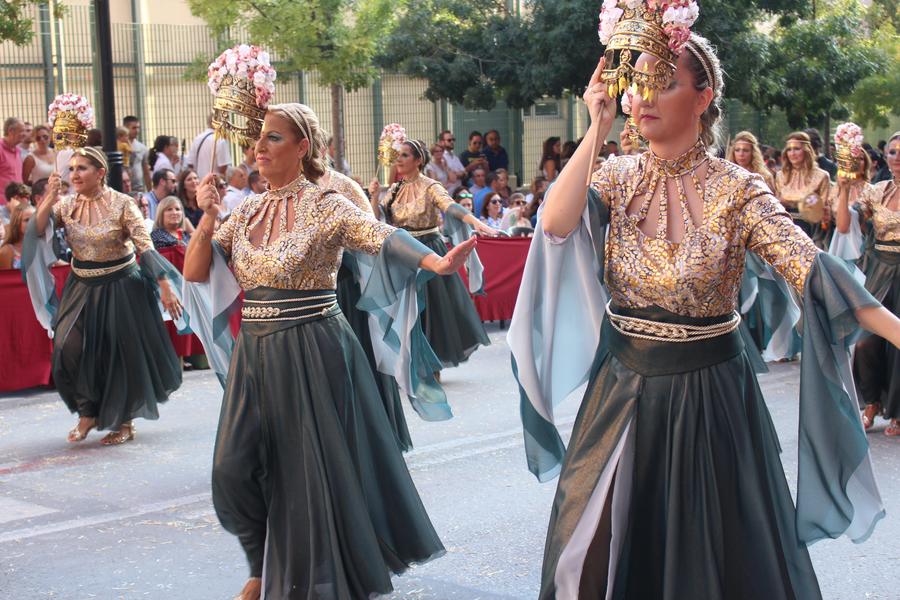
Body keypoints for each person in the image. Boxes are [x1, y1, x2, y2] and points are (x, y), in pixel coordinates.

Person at [509, 32, 900, 600]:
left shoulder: (739, 189)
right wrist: (595, 126)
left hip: (711, 394)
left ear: (702, 96)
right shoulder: (616, 176)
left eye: (662, 84)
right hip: (620, 391)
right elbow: (556, 223)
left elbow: (812, 269)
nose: (643, 97)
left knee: (713, 551)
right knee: (586, 544)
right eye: (637, 83)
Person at [182, 103, 473, 600]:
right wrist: (207, 217)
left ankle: (302, 573)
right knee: (231, 469)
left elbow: (380, 235)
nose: (259, 148)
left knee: (310, 472)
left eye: (274, 138)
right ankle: (260, 559)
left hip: (314, 344)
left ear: (303, 148)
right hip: (255, 352)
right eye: (259, 139)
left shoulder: (327, 204)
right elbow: (193, 271)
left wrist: (437, 262)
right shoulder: (245, 210)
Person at [24, 147, 183, 445]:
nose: (74, 175)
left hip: (121, 285)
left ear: (100, 173)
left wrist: (163, 284)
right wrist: (50, 195)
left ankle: (123, 421)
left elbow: (144, 245)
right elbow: (38, 228)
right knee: (66, 345)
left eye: (82, 168)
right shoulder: (67, 204)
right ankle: (88, 412)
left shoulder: (123, 204)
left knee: (117, 353)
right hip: (81, 285)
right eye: (71, 169)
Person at [372, 138, 495, 368]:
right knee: (403, 311)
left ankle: (430, 363)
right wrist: (374, 195)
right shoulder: (396, 189)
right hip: (402, 253)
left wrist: (475, 221)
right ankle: (409, 362)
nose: (398, 159)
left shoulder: (430, 186)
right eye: (397, 155)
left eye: (405, 155)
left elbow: (451, 206)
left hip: (428, 250)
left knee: (430, 311)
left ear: (418, 160)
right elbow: (376, 218)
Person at [836, 132, 900, 436]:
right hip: (878, 271)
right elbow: (844, 225)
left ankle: (897, 411)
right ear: (885, 157)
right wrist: (843, 188)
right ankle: (872, 401)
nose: (897, 157)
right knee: (865, 341)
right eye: (892, 152)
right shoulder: (877, 191)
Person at [775, 132, 832, 247]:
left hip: (811, 230)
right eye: (789, 150)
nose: (792, 153)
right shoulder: (780, 176)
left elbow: (824, 208)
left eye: (796, 149)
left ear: (806, 150)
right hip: (785, 230)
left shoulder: (821, 176)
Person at [186, 114, 231, 178]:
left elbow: (190, 164)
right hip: (213, 182)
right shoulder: (220, 140)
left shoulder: (197, 138)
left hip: (199, 182)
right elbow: (223, 167)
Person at [0, 203, 35, 269]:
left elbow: (59, 268)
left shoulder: (42, 245)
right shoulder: (7, 251)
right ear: (17, 223)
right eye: (27, 220)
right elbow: (5, 278)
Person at [123, 116, 152, 193]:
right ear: (125, 128)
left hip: (138, 189)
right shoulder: (118, 147)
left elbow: (146, 171)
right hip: (123, 188)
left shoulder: (142, 148)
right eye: (134, 128)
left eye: (138, 128)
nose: (137, 131)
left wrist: (150, 191)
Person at [0, 118, 24, 204]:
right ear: (10, 131)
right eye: (21, 131)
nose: (24, 134)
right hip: (3, 205)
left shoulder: (18, 150)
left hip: (18, 203)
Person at [438, 130, 466, 195]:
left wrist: (456, 173)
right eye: (449, 140)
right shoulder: (441, 157)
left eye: (453, 139)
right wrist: (458, 174)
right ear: (441, 142)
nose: (452, 142)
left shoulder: (455, 157)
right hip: (447, 194)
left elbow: (465, 173)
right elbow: (452, 177)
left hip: (458, 194)